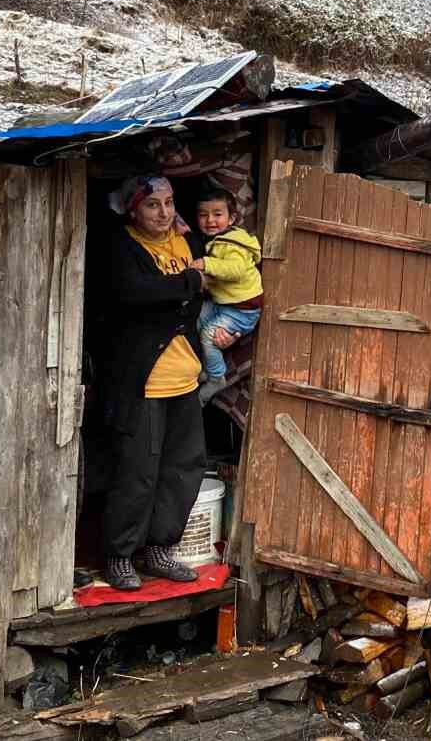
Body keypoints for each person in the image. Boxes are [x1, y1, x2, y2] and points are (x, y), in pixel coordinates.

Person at [97, 174, 209, 590]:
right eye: (152, 205)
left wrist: (179, 290)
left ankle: (160, 549)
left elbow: (188, 296)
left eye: (168, 203)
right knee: (137, 470)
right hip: (142, 380)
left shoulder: (187, 242)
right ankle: (120, 555)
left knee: (182, 466)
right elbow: (130, 293)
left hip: (185, 377)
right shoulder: (121, 246)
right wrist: (187, 283)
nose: (164, 213)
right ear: (133, 209)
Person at [194, 188, 263, 403]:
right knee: (197, 317)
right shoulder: (219, 240)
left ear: (232, 218)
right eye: (203, 215)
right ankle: (207, 366)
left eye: (217, 214)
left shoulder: (232, 243)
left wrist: (206, 264)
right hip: (225, 303)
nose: (210, 220)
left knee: (208, 335)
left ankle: (216, 377)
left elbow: (235, 270)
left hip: (241, 310)